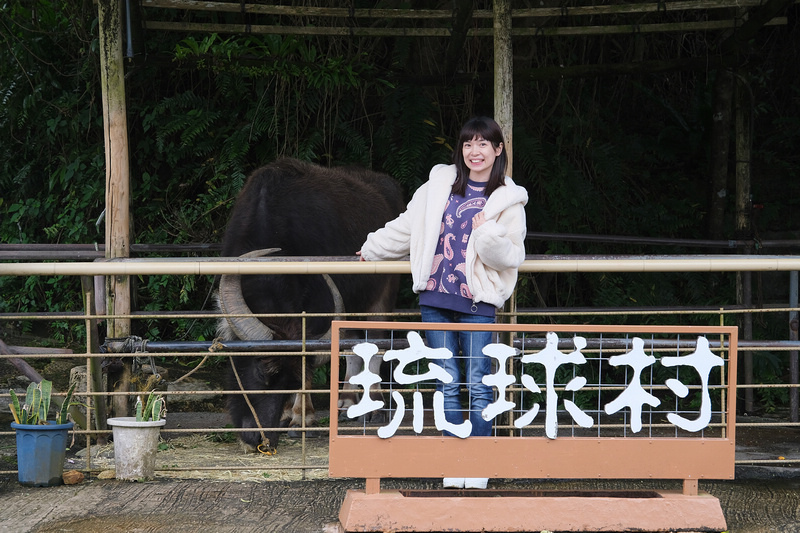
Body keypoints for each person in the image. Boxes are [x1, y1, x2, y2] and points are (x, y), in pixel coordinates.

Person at [357, 116, 528, 490]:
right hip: (435, 296)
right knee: (446, 382)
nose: (475, 151)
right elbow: (406, 227)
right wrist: (372, 249)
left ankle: (479, 464)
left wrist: (486, 231)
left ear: (498, 150)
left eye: (484, 144)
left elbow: (511, 256)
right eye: (468, 144)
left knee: (479, 382)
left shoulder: (508, 200)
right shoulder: (438, 187)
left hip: (477, 301)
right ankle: (454, 461)